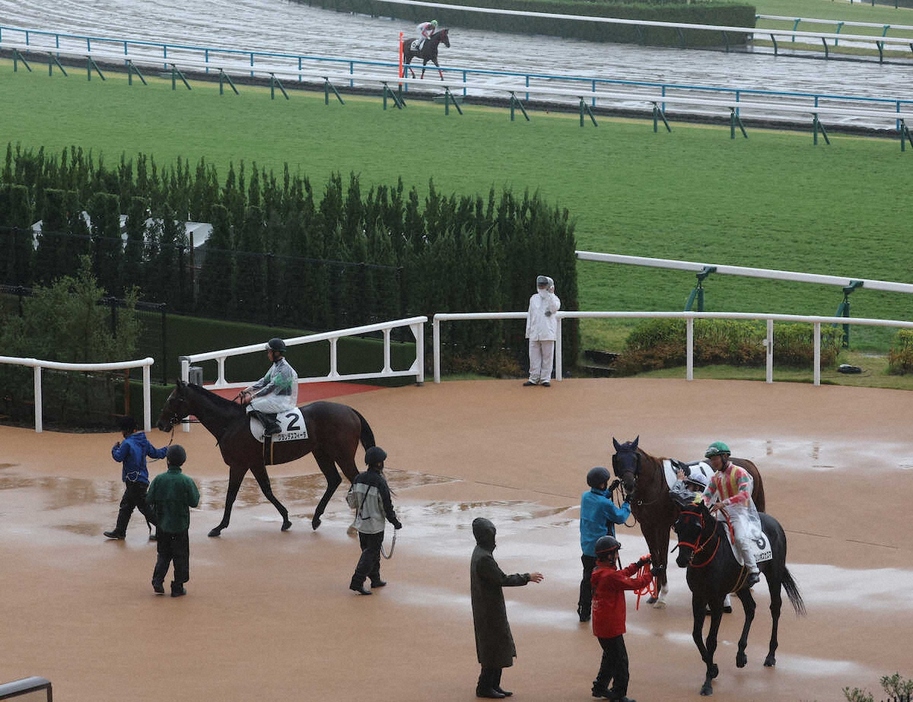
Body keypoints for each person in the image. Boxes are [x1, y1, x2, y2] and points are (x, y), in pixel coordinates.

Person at [470, 517, 544, 699]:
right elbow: (502, 579)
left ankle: (493, 684)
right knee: (494, 646)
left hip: (488, 606)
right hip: (489, 609)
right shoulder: (484, 559)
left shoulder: (480, 553)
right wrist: (527, 577)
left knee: (496, 645)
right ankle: (485, 686)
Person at [590, 535, 654, 702]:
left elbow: (622, 574)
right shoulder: (610, 576)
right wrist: (651, 574)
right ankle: (619, 694)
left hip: (601, 625)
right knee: (621, 662)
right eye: (616, 553)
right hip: (611, 626)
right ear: (609, 556)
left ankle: (600, 687)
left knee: (610, 657)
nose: (617, 556)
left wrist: (638, 565)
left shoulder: (600, 571)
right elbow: (635, 584)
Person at [700, 441, 762, 588]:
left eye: (715, 459)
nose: (713, 462)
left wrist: (724, 503)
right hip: (722, 513)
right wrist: (697, 505)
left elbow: (745, 494)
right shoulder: (716, 477)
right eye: (711, 459)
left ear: (724, 457)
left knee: (740, 538)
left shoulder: (740, 472)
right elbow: (707, 495)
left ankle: (753, 569)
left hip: (739, 513)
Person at [145, 444, 201, 597]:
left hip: (162, 524)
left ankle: (158, 581)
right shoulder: (186, 481)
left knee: (163, 554)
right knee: (181, 556)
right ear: (183, 461)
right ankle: (177, 586)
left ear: (167, 461)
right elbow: (194, 501)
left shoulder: (159, 479)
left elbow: (148, 499)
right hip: (180, 525)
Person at [347, 446, 402, 595]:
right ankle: (357, 582)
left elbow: (351, 501)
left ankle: (375, 579)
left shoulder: (358, 478)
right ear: (378, 464)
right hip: (375, 526)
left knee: (371, 552)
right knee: (370, 553)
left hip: (361, 524)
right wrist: (395, 522)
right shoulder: (380, 482)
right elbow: (386, 507)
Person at [578, 466, 630, 623]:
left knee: (587, 578)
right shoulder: (604, 504)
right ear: (601, 484)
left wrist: (609, 492)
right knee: (605, 580)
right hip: (603, 549)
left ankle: (584, 610)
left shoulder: (585, 496)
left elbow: (598, 499)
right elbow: (620, 517)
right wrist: (627, 503)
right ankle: (603, 610)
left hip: (586, 546)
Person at [104, 415, 167, 540]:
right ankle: (120, 531)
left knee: (144, 508)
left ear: (126, 430)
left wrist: (114, 448)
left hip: (133, 482)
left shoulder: (127, 443)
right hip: (141, 480)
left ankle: (164, 530)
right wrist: (167, 450)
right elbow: (156, 453)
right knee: (127, 505)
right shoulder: (144, 441)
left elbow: (118, 457)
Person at [239, 337, 299, 436]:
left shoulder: (285, 369)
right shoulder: (276, 365)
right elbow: (264, 381)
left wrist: (252, 396)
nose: (268, 354)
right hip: (276, 397)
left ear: (276, 353)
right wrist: (246, 390)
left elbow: (270, 387)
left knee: (250, 407)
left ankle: (272, 427)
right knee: (251, 404)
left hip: (283, 401)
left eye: (269, 352)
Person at [523, 275, 560, 387]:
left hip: (547, 332)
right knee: (533, 357)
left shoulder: (554, 298)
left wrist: (550, 295)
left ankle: (545, 379)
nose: (541, 286)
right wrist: (528, 331)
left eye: (544, 284)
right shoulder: (533, 298)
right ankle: (533, 378)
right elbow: (530, 315)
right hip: (535, 332)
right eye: (540, 284)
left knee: (547, 357)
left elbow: (554, 308)